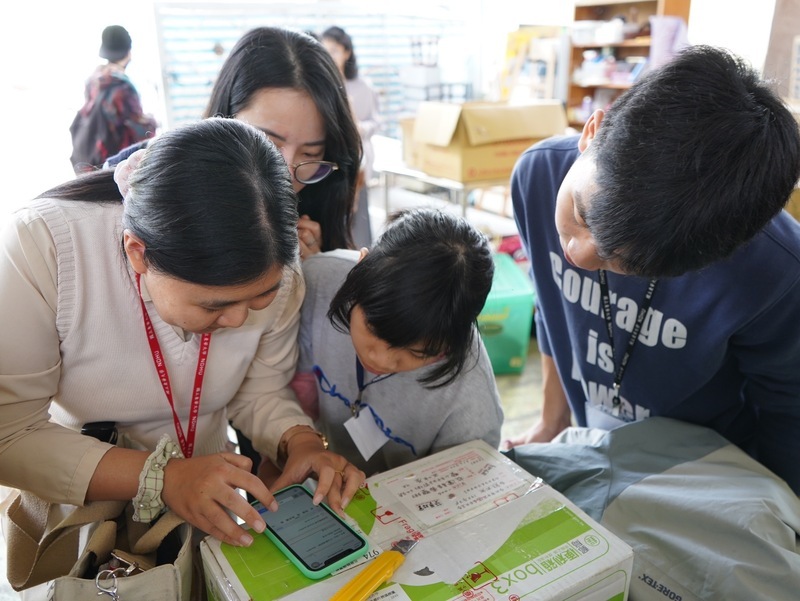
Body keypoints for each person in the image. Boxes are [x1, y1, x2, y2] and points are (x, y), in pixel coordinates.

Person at [0, 118, 365, 554]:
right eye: (213, 306)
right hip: (85, 512)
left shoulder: (279, 270)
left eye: (260, 297)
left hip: (211, 505)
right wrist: (163, 476)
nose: (236, 320)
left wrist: (301, 440)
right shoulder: (45, 244)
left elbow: (260, 388)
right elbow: (11, 434)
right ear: (139, 253)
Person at [505, 45, 800, 494]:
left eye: (626, 262)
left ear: (711, 257)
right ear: (592, 130)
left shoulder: (775, 268)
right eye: (581, 214)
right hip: (593, 440)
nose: (577, 254)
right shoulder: (536, 176)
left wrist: (780, 509)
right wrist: (552, 420)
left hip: (704, 470)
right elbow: (551, 312)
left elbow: (787, 404)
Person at [108, 26, 362, 260]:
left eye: (310, 153)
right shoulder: (140, 186)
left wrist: (315, 274)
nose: (286, 175)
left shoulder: (319, 200)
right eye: (268, 144)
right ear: (224, 114)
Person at [283, 208, 504, 475]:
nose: (381, 359)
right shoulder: (318, 280)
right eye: (374, 328)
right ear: (361, 267)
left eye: (416, 352)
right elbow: (295, 382)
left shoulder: (471, 402)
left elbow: (459, 495)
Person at [322, 25, 382, 248]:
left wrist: (359, 128)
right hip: (331, 158)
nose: (329, 55)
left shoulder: (362, 86)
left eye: (334, 50)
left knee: (358, 214)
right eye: (325, 49)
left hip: (357, 158)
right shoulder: (321, 83)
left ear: (347, 52)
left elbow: (376, 121)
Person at [69, 25, 157, 173]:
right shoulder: (122, 86)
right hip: (115, 162)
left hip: (93, 158)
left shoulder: (93, 79)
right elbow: (139, 129)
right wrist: (152, 121)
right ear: (128, 52)